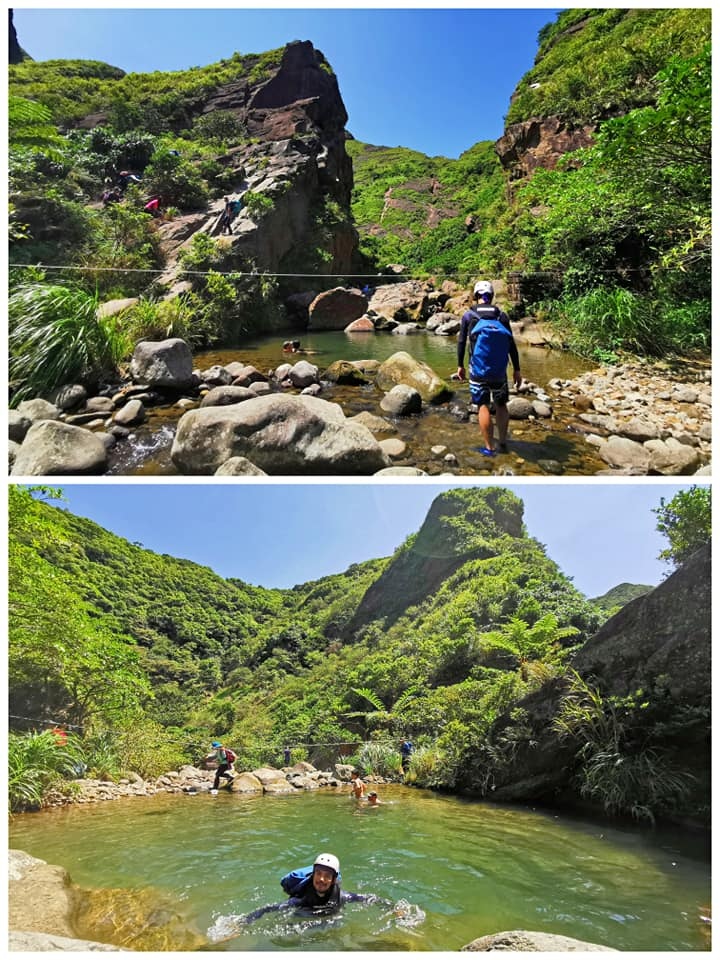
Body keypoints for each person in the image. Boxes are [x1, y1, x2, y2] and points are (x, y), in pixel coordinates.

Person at [456, 280, 522, 456]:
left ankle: (489, 448)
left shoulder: (469, 316)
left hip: (478, 370)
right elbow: (511, 344)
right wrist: (516, 369)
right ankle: (502, 443)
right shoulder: (501, 316)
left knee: (483, 406)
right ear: (491, 296)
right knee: (501, 405)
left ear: (476, 296)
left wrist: (460, 366)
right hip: (499, 371)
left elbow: (462, 342)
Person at [242, 853, 389, 923]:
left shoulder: (342, 896)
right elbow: (267, 909)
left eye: (327, 876)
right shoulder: (301, 899)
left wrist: (394, 909)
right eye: (318, 873)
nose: (321, 879)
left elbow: (370, 898)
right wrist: (243, 923)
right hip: (304, 918)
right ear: (313, 875)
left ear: (333, 880)